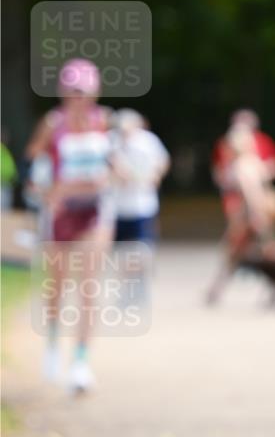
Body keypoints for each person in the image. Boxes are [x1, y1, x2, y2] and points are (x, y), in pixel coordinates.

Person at [25, 58, 113, 393]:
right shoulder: (52, 123)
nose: (78, 98)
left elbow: (115, 163)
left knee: (89, 286)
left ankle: (80, 361)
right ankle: (51, 343)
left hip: (95, 211)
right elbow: (33, 165)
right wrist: (47, 191)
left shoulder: (104, 121)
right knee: (57, 286)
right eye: (72, 92)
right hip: (61, 213)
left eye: (84, 92)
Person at [207, 111, 275, 304]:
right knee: (260, 253)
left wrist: (255, 216)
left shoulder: (242, 166)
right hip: (253, 216)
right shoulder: (252, 163)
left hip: (248, 217)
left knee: (242, 253)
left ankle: (217, 291)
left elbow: (252, 195)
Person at [110, 109, 170, 245]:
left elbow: (163, 160)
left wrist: (157, 175)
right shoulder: (110, 139)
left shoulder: (148, 140)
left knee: (142, 245)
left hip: (143, 204)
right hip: (116, 206)